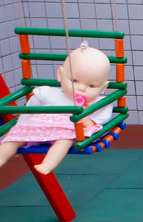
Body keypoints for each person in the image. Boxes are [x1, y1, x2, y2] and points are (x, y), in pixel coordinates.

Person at [0, 42, 112, 175]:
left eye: (91, 86)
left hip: (68, 129)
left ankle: (49, 163)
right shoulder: (49, 93)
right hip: (39, 126)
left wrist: (91, 122)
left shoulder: (97, 102)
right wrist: (22, 124)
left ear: (103, 88)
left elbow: (104, 114)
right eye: (74, 81)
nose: (81, 88)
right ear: (60, 75)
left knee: (65, 141)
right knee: (14, 139)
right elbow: (32, 106)